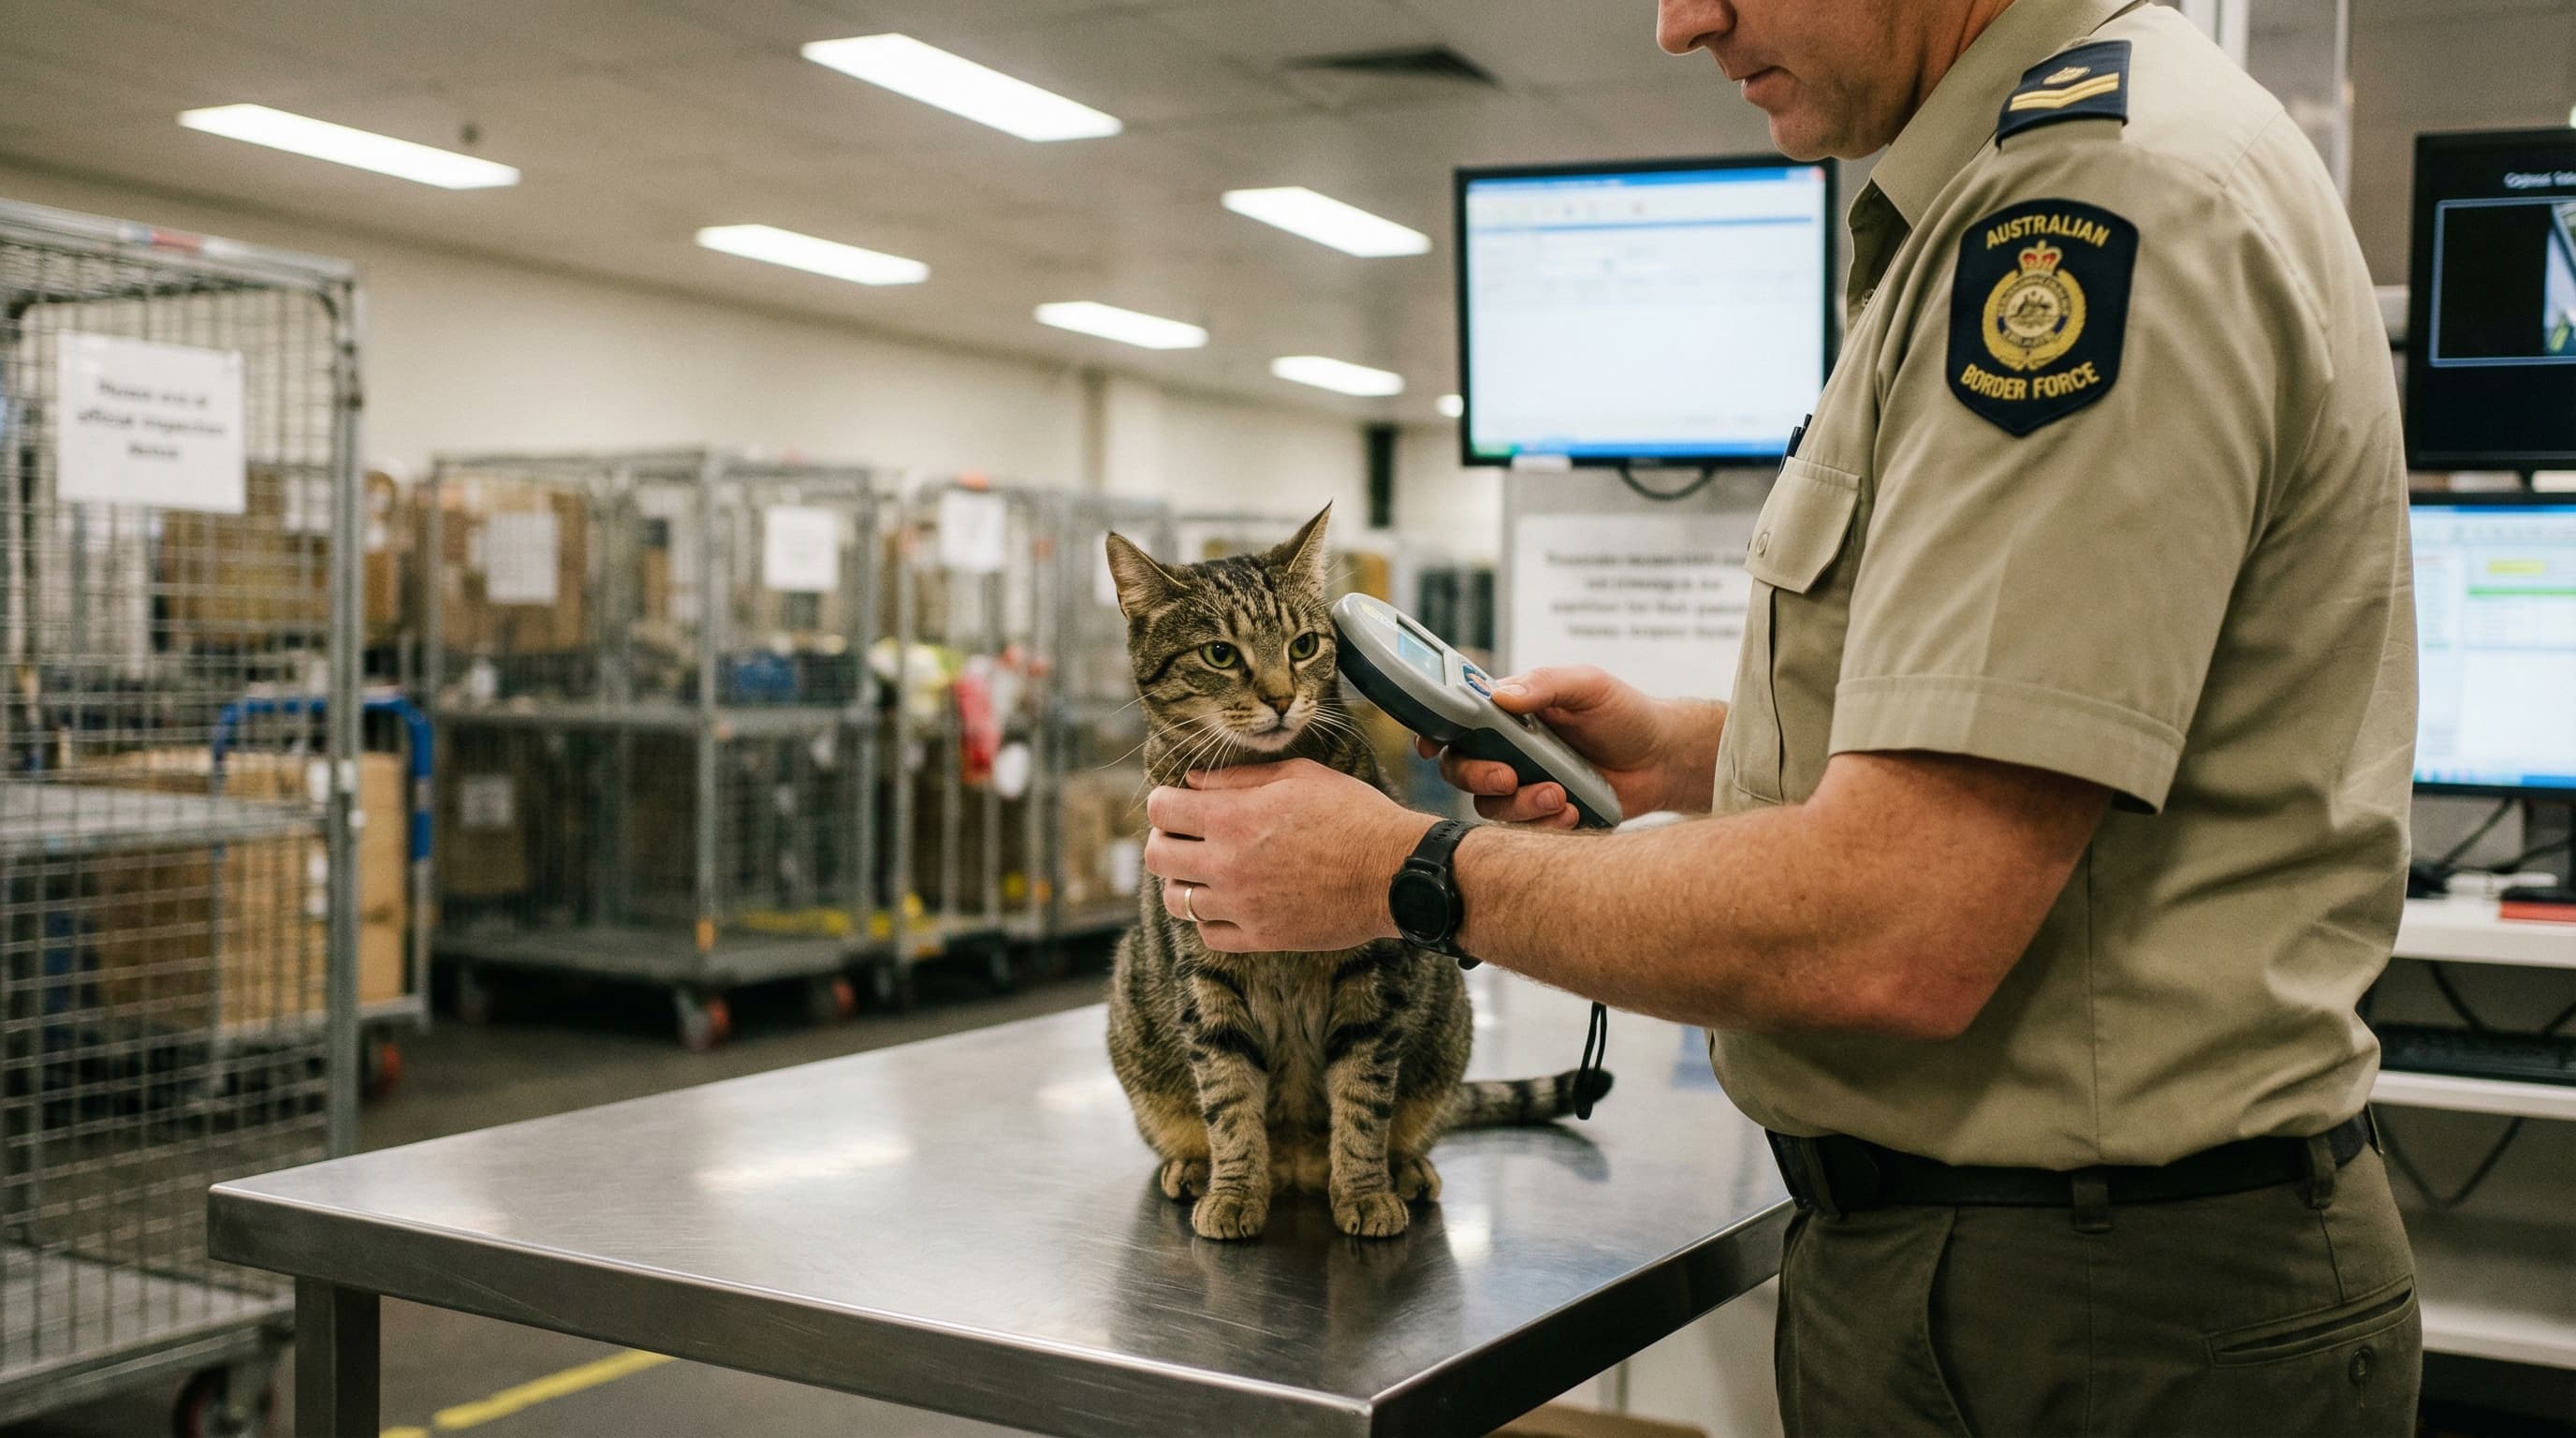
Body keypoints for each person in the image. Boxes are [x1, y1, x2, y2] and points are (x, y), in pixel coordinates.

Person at [1138, 0, 2420, 1432]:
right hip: (2035, 1268)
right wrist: (1691, 749)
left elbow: (1902, 926)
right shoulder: (2024, 178)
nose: (1684, 22)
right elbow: (2038, 718)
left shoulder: (2085, 206)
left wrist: (1403, 872)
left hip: (2087, 1311)